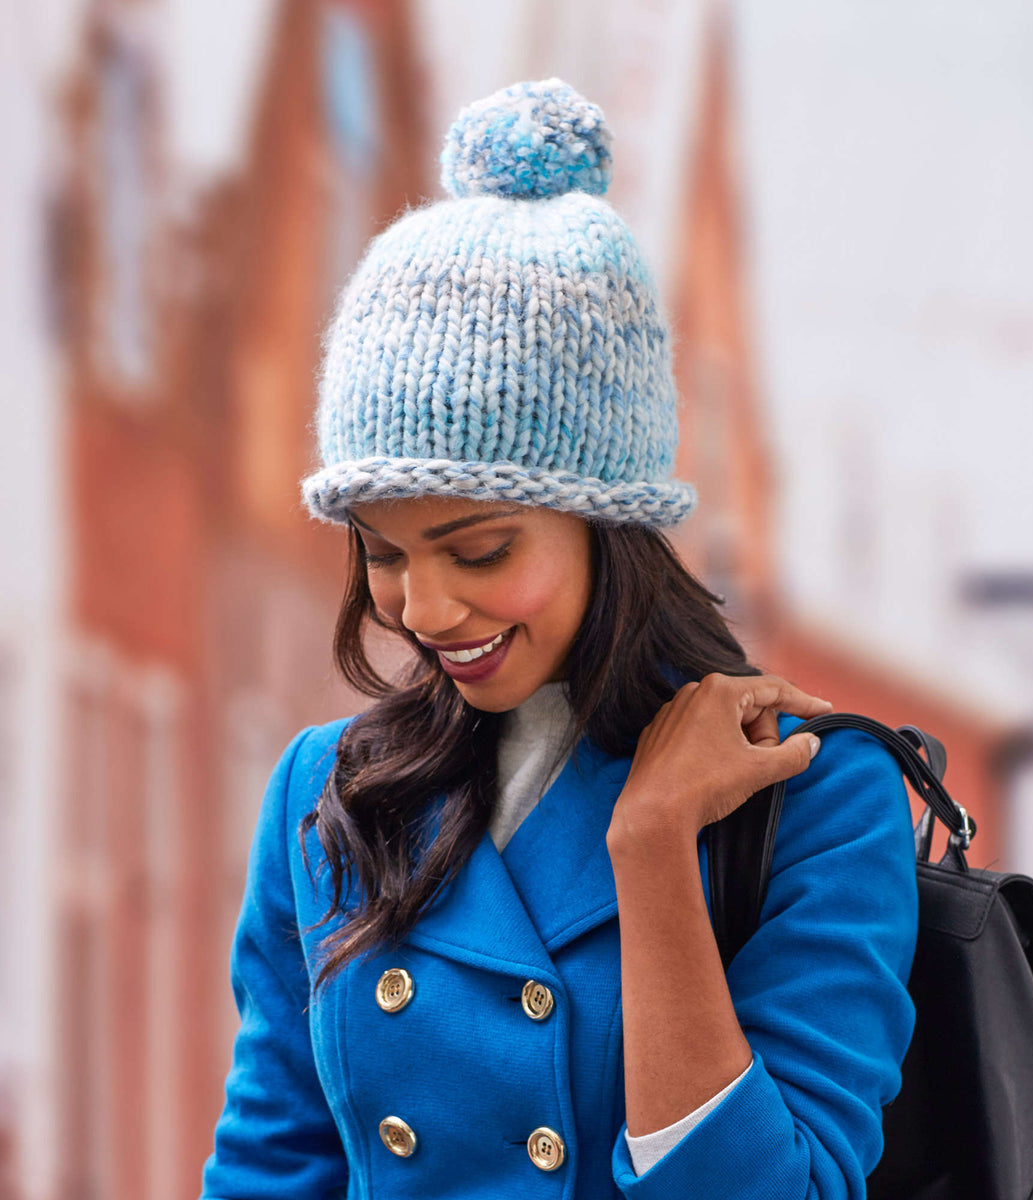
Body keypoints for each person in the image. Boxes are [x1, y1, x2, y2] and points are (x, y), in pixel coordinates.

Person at [200, 78, 918, 1199]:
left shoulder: (816, 799)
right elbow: (269, 1167)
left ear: (607, 525)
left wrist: (656, 848)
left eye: (479, 552)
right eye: (383, 555)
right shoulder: (326, 793)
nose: (423, 612)